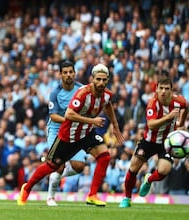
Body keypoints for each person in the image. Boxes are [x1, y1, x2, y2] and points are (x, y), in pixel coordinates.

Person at [17, 63, 124, 207]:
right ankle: (27, 188)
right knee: (52, 166)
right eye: (98, 79)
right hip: (68, 135)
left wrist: (115, 126)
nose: (101, 83)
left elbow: (108, 104)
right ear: (92, 79)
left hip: (86, 133)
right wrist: (92, 120)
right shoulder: (81, 93)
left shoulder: (106, 94)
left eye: (104, 80)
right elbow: (68, 114)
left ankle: (92, 195)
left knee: (104, 157)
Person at [119, 77, 189, 208]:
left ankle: (149, 179)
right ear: (156, 89)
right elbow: (151, 125)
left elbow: (186, 106)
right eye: (160, 88)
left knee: (164, 170)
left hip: (167, 143)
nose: (163, 91)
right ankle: (127, 198)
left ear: (171, 90)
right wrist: (168, 117)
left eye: (166, 89)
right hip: (149, 141)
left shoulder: (178, 101)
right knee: (133, 168)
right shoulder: (153, 103)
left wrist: (181, 123)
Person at [45, 60, 86, 206]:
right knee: (58, 165)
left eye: (70, 72)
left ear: (74, 73)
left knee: (80, 166)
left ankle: (56, 174)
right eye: (65, 72)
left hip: (74, 130)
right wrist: (70, 120)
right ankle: (50, 197)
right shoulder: (55, 92)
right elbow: (53, 116)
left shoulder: (82, 90)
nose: (68, 75)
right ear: (60, 75)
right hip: (56, 130)